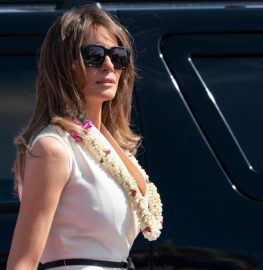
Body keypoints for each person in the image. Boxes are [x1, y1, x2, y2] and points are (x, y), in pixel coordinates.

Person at [6, 4, 163, 270]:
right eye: (93, 55)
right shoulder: (53, 148)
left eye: (118, 55)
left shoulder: (111, 145)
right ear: (64, 65)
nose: (109, 64)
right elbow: (23, 262)